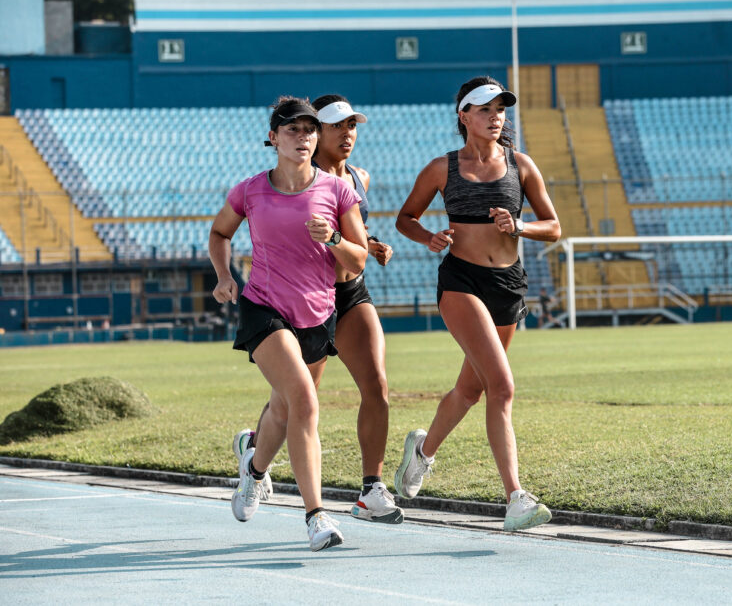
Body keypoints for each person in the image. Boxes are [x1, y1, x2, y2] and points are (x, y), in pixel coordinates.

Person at [393, 75, 561, 531]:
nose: (495, 117)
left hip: (508, 285)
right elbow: (405, 217)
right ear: (463, 115)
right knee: (502, 386)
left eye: (500, 110)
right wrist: (429, 236)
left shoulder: (521, 166)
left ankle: (421, 454)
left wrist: (520, 228)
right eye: (485, 110)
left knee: (470, 390)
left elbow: (554, 226)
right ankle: (516, 498)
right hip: (461, 282)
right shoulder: (440, 168)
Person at [231, 95, 403, 525]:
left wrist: (370, 244)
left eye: (352, 126)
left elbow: (353, 236)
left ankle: (371, 487)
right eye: (336, 127)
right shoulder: (293, 175)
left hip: (350, 292)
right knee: (294, 399)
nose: (346, 134)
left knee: (377, 385)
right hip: (302, 297)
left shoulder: (356, 178)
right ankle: (257, 456)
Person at [210, 96, 367, 551]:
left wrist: (334, 238)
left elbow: (358, 261)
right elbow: (220, 233)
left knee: (283, 407)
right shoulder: (251, 190)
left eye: (310, 130)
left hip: (317, 315)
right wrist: (224, 276)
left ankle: (253, 471)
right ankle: (317, 516)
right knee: (304, 399)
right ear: (273, 137)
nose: (303, 138)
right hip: (263, 308)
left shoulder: (338, 192)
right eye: (293, 130)